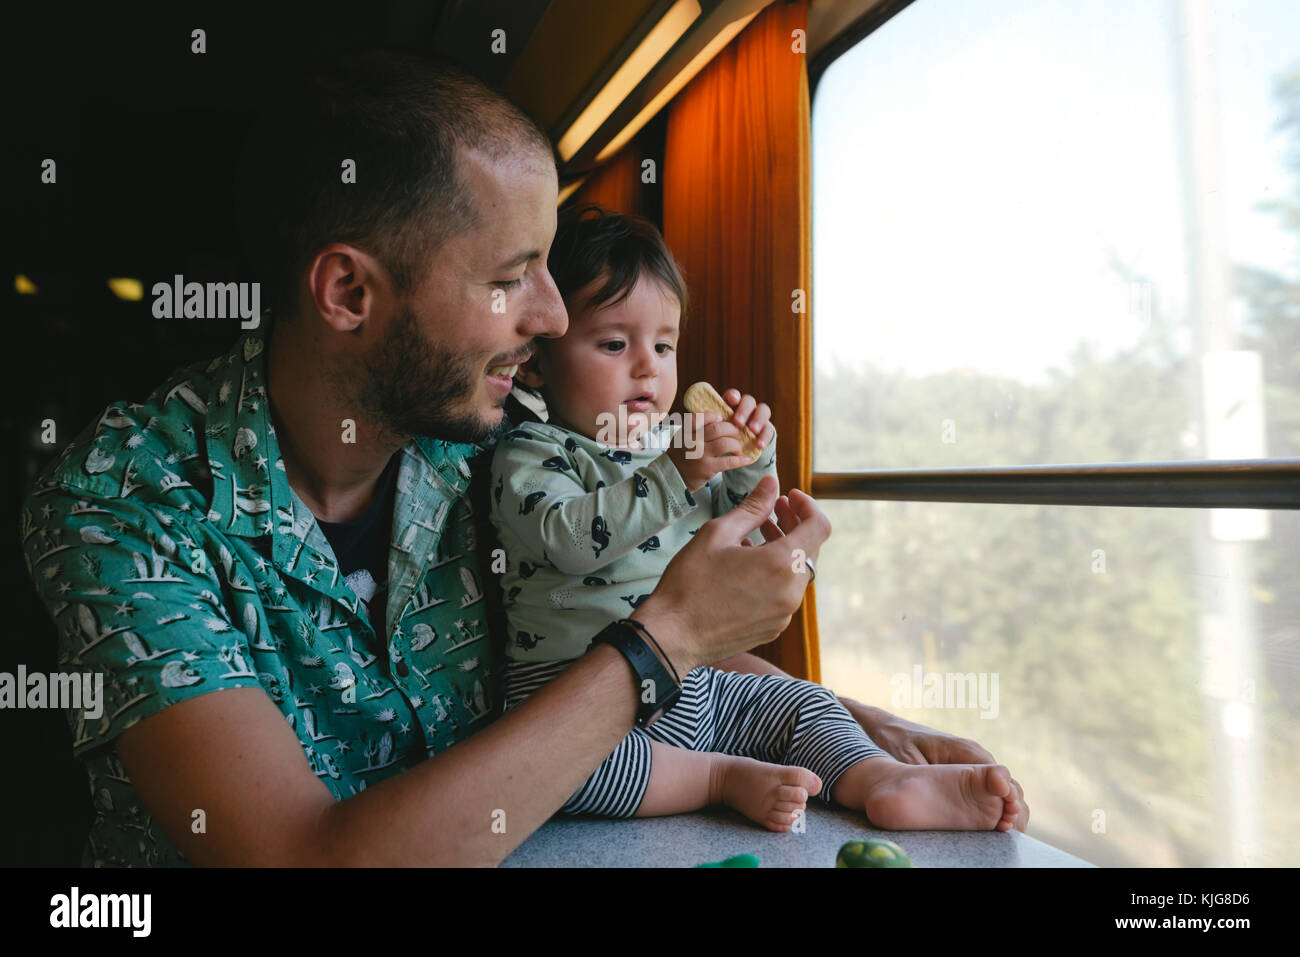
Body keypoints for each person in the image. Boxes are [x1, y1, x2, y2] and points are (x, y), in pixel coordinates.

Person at [19, 51, 1024, 867]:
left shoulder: (492, 440)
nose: (549, 316)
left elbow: (634, 624)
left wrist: (853, 733)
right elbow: (304, 860)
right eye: (512, 278)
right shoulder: (123, 502)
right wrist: (666, 638)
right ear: (350, 295)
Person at [490, 206, 1025, 833]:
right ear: (535, 363)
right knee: (568, 772)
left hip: (695, 679)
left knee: (801, 703)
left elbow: (724, 520)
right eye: (614, 344)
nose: (649, 367)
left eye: (665, 345)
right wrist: (676, 474)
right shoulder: (531, 452)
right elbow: (568, 541)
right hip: (570, 691)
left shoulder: (674, 443)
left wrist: (749, 459)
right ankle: (719, 777)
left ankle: (882, 778)